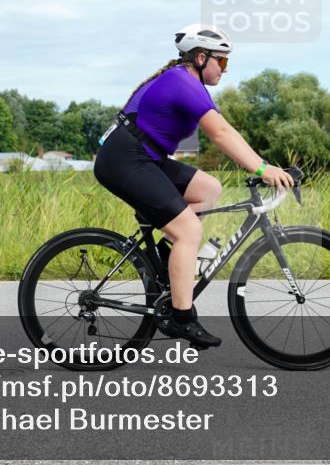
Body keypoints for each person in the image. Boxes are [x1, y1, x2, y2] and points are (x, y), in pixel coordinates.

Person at [93, 24, 294, 349]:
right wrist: (263, 168)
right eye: (222, 62)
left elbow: (225, 130)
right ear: (201, 57)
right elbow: (222, 133)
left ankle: (168, 261)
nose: (225, 70)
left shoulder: (187, 81)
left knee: (208, 189)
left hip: (144, 158)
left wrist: (262, 164)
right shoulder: (182, 81)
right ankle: (181, 317)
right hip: (125, 159)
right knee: (189, 231)